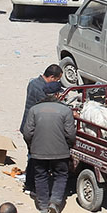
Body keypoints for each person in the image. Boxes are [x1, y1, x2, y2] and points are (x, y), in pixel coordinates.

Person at [22, 98, 76, 213]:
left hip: (38, 152)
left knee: (40, 176)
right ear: (57, 95)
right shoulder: (66, 111)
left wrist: (32, 147)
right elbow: (70, 133)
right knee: (61, 176)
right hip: (61, 152)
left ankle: (43, 205)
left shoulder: (34, 110)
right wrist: (68, 146)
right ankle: (55, 202)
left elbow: (27, 132)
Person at [21, 64, 63, 194]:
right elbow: (47, 106)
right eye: (56, 80)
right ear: (51, 77)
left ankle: (30, 184)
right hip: (34, 129)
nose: (56, 82)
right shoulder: (41, 89)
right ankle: (31, 186)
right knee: (35, 159)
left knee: (32, 157)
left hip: (28, 126)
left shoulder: (33, 82)